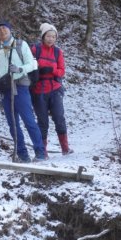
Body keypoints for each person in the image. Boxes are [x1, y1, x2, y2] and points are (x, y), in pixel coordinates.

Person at [0, 19, 46, 163]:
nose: (2, 31)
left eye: (4, 28)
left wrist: (20, 69)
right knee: (12, 124)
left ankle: (40, 151)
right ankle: (22, 154)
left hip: (20, 86)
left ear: (10, 29)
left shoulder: (21, 45)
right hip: (5, 89)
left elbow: (32, 64)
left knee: (28, 120)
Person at [30, 23, 73, 156]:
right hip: (38, 90)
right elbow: (29, 65)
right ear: (43, 36)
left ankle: (65, 148)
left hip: (55, 89)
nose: (51, 39)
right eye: (48, 36)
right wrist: (39, 68)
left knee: (59, 118)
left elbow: (62, 71)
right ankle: (43, 151)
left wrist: (52, 70)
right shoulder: (34, 49)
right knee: (42, 121)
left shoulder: (57, 52)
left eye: (54, 37)